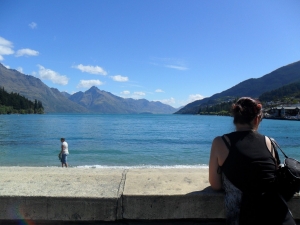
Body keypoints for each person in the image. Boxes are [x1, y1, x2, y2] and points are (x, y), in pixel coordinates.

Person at [209, 97, 295, 225]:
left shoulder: (220, 142)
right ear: (257, 119)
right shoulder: (269, 141)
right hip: (281, 216)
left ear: (234, 119)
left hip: (245, 217)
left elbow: (215, 185)